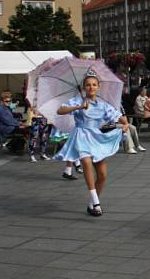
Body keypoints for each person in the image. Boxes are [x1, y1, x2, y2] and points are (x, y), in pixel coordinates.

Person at [54, 72, 128, 217]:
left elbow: (121, 120)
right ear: (84, 88)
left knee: (102, 175)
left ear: (98, 87)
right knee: (86, 163)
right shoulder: (77, 100)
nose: (91, 87)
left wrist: (122, 125)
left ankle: (91, 205)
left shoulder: (103, 105)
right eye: (88, 85)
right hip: (81, 136)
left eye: (94, 84)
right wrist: (79, 107)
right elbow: (60, 110)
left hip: (96, 137)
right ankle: (96, 202)